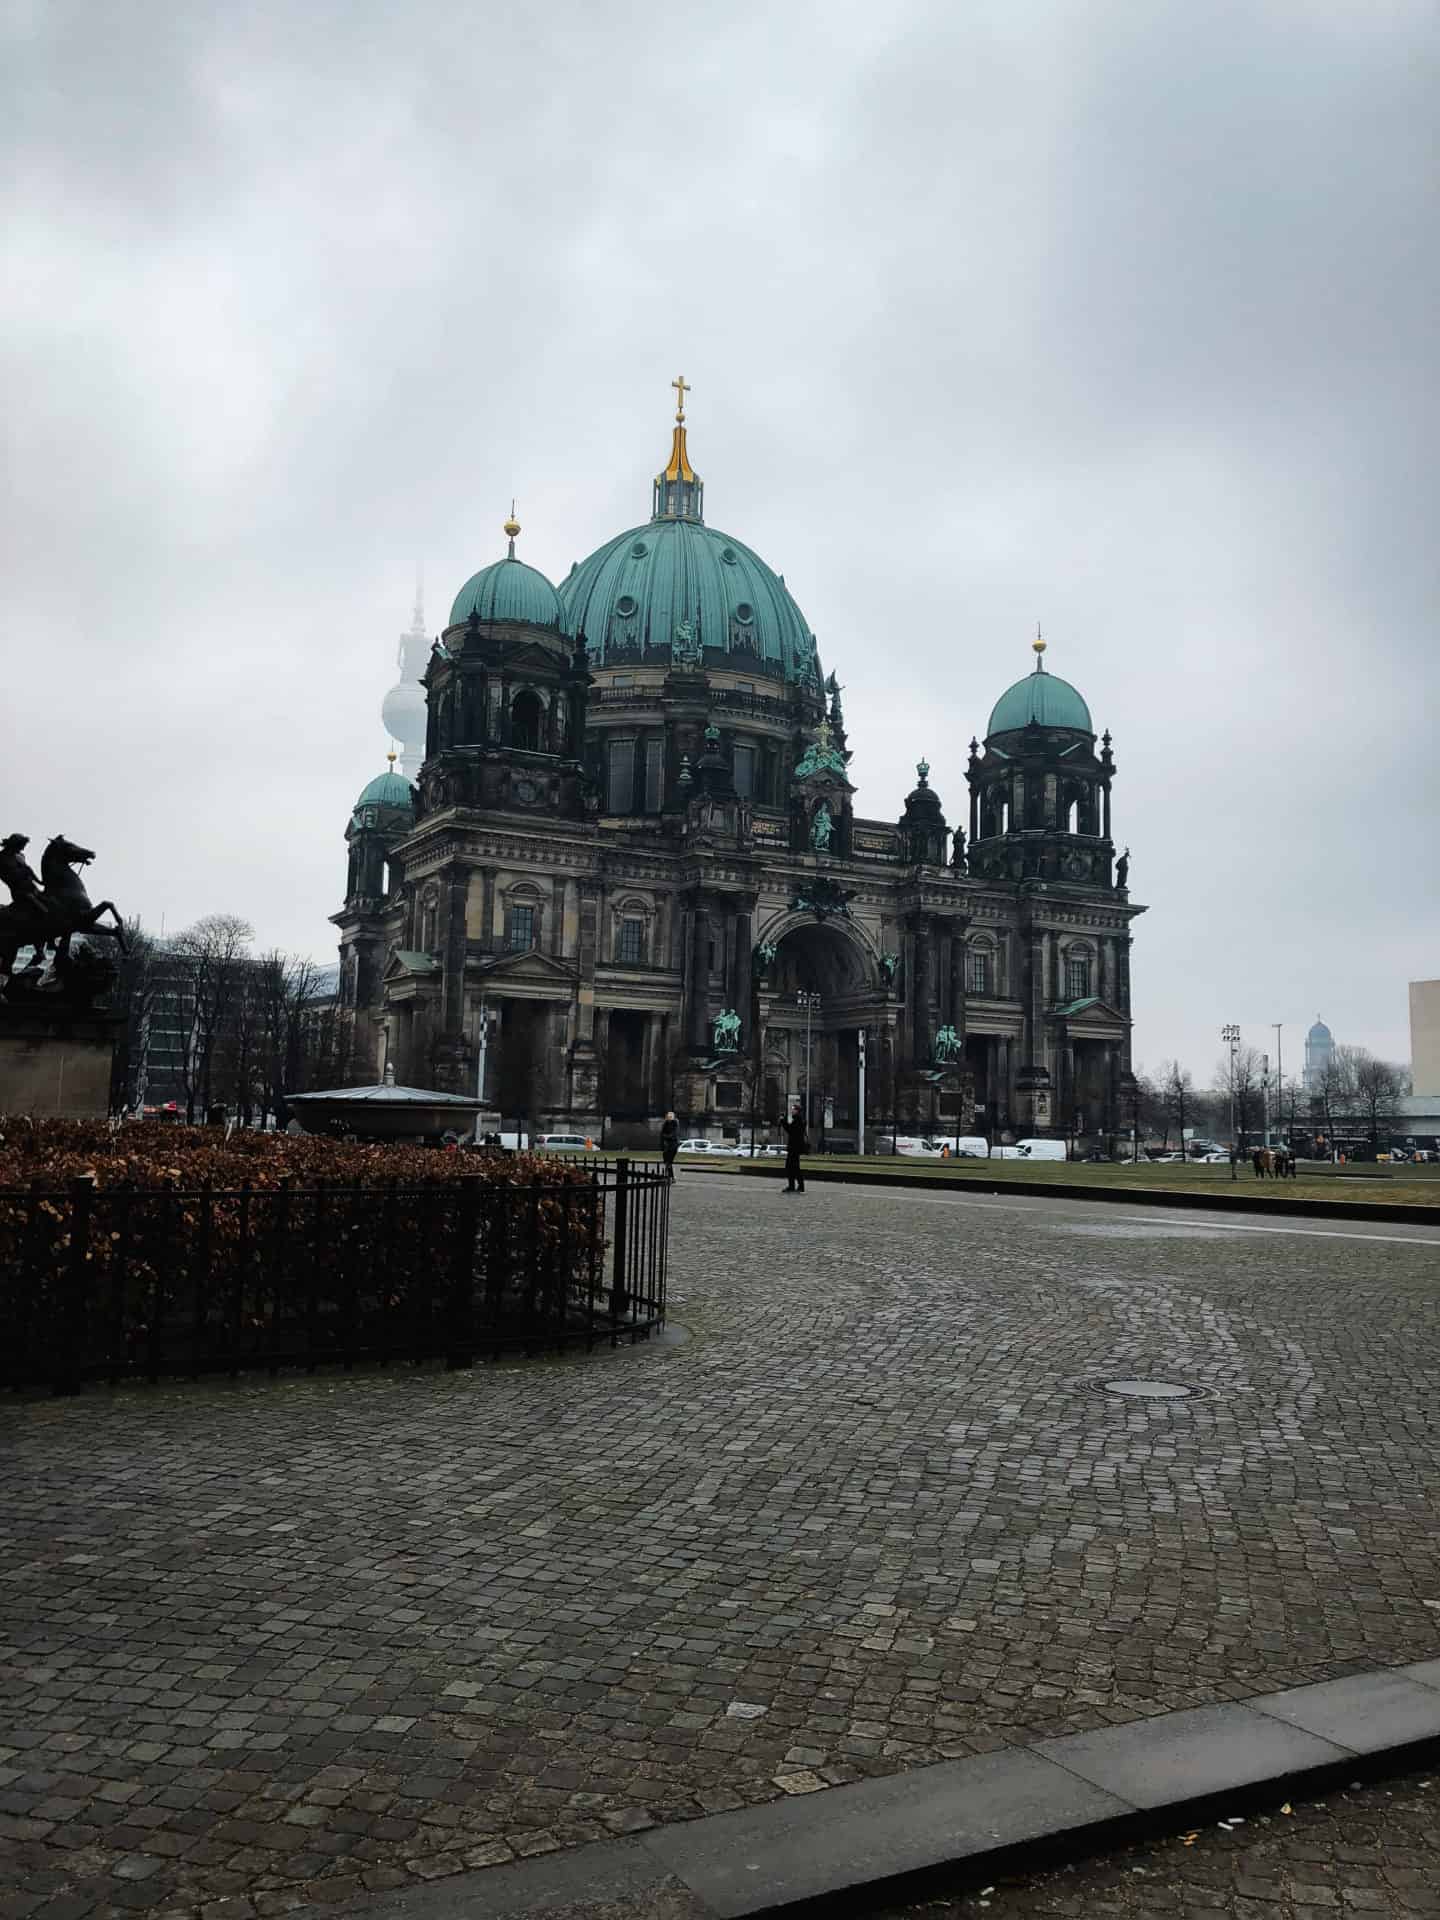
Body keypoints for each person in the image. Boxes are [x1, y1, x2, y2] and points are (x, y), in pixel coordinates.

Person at [783, 1104, 809, 1194]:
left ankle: (795, 1186)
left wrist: (783, 1121)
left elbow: (791, 1131)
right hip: (795, 1147)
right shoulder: (799, 1120)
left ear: (798, 1111)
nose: (792, 1111)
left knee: (792, 1167)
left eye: (794, 1109)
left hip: (794, 1147)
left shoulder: (797, 1120)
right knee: (793, 1167)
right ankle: (796, 1186)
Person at [660, 1111, 679, 1181]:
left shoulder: (675, 1124)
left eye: (670, 1117)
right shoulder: (665, 1124)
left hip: (673, 1146)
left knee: (669, 1162)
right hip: (666, 1146)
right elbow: (661, 1135)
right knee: (666, 1162)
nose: (669, 1118)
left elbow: (673, 1135)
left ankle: (670, 1177)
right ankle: (670, 1177)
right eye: (668, 1117)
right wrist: (662, 1145)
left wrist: (666, 1136)